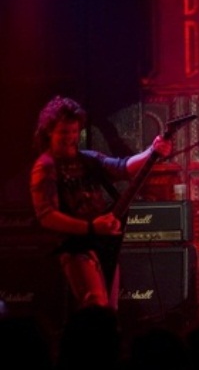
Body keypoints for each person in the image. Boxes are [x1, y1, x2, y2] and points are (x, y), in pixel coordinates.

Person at [30, 96, 172, 310]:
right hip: (75, 247)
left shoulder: (87, 159)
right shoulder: (45, 167)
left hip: (101, 242)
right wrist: (90, 227)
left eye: (74, 131)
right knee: (95, 304)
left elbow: (123, 168)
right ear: (49, 131)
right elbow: (47, 216)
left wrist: (152, 151)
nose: (70, 138)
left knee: (110, 309)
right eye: (64, 132)